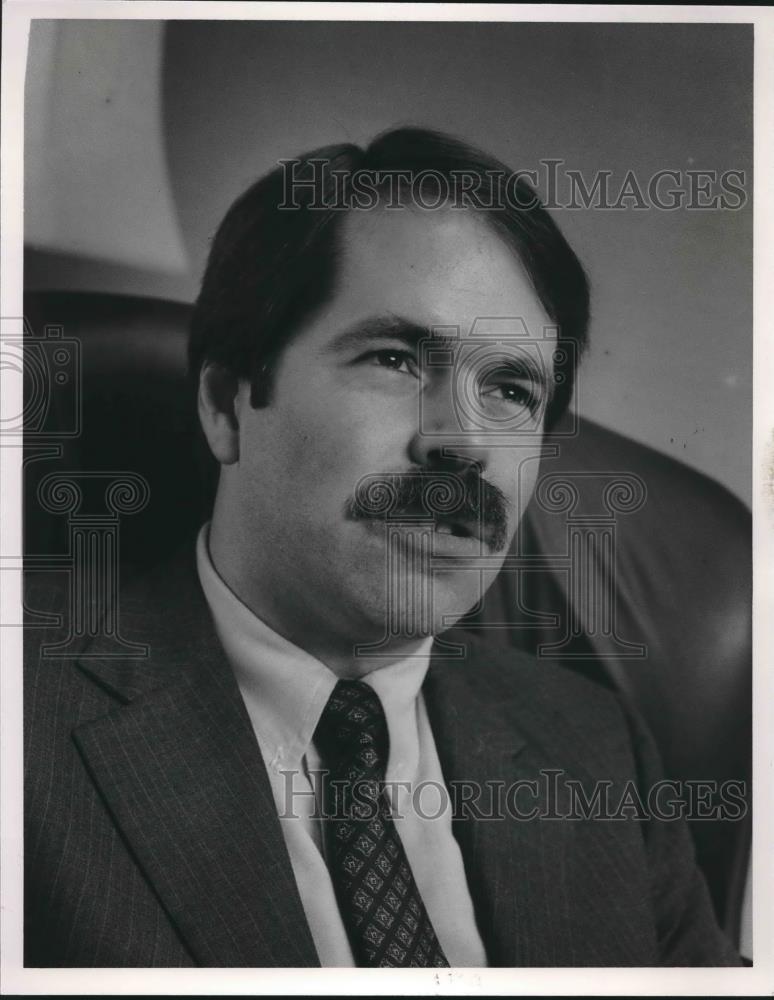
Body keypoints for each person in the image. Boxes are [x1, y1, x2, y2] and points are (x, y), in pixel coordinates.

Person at [24, 127, 741, 967]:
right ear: (225, 404)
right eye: (397, 359)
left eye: (512, 389)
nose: (464, 444)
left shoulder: (597, 751)